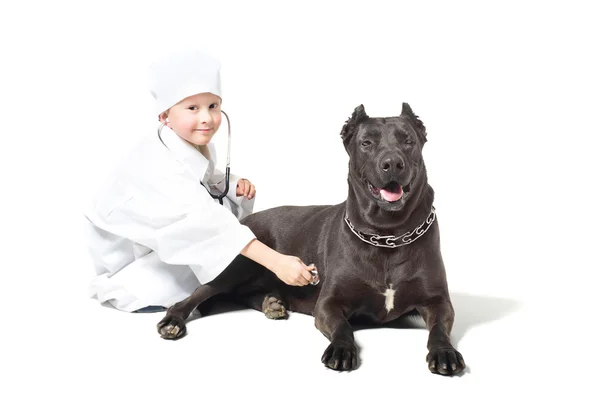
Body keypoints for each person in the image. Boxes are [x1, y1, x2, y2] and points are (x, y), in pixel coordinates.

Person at [84, 50, 315, 313]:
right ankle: (136, 288)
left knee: (220, 259)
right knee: (183, 279)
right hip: (127, 252)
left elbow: (201, 178)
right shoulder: (155, 162)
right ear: (164, 116)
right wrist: (276, 262)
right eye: (193, 108)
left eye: (213, 106)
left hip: (165, 230)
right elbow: (203, 221)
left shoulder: (188, 143)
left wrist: (231, 183)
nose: (206, 118)